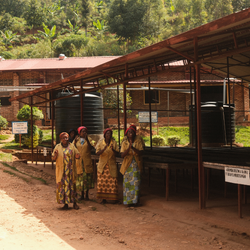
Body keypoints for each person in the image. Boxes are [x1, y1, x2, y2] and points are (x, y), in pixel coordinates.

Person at [52, 132, 80, 210]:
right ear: (61, 139)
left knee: (72, 187)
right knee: (63, 187)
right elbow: (53, 158)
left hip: (70, 172)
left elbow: (77, 154)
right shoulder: (57, 147)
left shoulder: (72, 146)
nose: (65, 139)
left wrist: (77, 156)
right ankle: (66, 204)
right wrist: (56, 155)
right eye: (64, 138)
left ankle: (75, 203)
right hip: (62, 172)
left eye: (66, 137)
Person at [120, 125, 144, 206]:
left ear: (134, 134)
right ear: (127, 134)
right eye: (129, 132)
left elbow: (141, 152)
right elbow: (122, 155)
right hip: (127, 165)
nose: (130, 133)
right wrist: (128, 148)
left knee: (136, 183)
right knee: (127, 183)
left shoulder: (138, 142)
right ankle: (128, 201)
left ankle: (135, 201)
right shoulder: (124, 143)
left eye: (132, 132)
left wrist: (133, 148)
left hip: (136, 164)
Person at [95, 128, 119, 204]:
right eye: (107, 134)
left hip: (111, 165)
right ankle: (103, 199)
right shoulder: (100, 142)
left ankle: (114, 198)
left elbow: (117, 153)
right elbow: (97, 153)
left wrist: (113, 150)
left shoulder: (114, 142)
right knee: (102, 182)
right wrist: (104, 148)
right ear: (104, 135)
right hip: (103, 166)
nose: (109, 135)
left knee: (113, 181)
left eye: (110, 134)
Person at [74, 126, 94, 201]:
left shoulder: (89, 139)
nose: (84, 132)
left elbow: (91, 148)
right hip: (79, 162)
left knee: (87, 178)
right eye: (82, 131)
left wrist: (87, 140)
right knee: (81, 179)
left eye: (85, 131)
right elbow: (73, 148)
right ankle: (82, 195)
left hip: (86, 161)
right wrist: (75, 142)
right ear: (79, 133)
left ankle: (87, 195)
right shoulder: (76, 140)